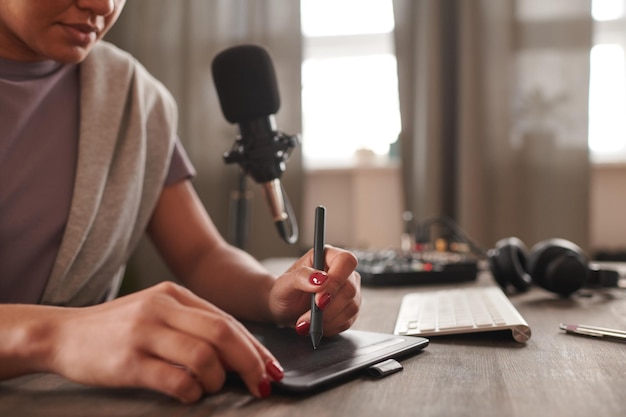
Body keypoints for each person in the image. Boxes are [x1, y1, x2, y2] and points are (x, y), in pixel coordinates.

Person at [0, 0, 361, 403]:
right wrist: (55, 335)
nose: (102, 4)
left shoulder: (133, 96)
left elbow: (200, 255)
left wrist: (275, 293)